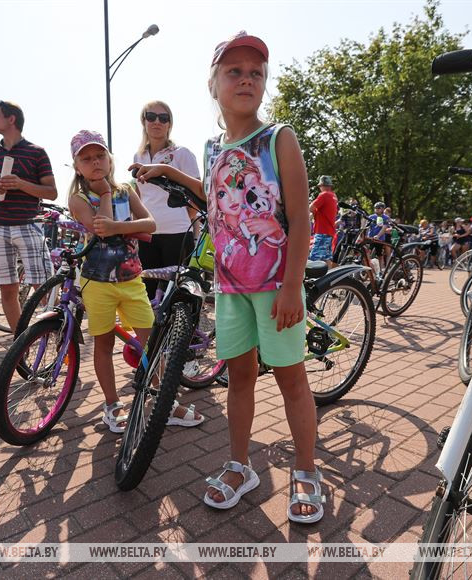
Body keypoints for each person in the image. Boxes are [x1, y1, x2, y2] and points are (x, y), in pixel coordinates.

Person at [132, 31, 323, 524]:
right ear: (213, 84)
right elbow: (212, 193)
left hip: (275, 285)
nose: (246, 79)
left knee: (291, 379)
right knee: (239, 378)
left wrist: (291, 286)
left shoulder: (278, 138)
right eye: (234, 71)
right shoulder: (213, 148)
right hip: (231, 287)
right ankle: (240, 465)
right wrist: (170, 175)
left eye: (255, 72)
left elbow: (300, 218)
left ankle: (306, 469)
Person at [67, 130, 203, 433]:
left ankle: (165, 402)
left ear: (109, 159)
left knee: (151, 342)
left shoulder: (127, 190)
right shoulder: (79, 198)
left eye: (100, 155)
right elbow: (100, 229)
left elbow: (150, 224)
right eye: (86, 159)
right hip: (97, 283)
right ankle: (112, 405)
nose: (95, 162)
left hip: (131, 279)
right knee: (103, 343)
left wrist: (118, 224)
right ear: (77, 166)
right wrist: (106, 197)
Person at [0, 100, 56, 332]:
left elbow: (51, 192)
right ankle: (19, 342)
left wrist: (21, 184)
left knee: (43, 287)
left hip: (28, 225)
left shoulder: (36, 152)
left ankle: (57, 337)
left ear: (11, 119)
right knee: (7, 289)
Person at [132, 101, 201, 299]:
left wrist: (184, 217)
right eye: (151, 117)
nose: (157, 122)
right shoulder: (139, 156)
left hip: (177, 233)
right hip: (147, 235)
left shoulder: (182, 153)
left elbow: (197, 193)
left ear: (170, 124)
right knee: (148, 296)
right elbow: (139, 196)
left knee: (177, 297)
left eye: (163, 118)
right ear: (144, 121)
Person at [308, 175, 337, 265]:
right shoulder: (333, 196)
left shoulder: (324, 195)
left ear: (322, 186)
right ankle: (330, 273)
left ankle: (315, 275)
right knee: (326, 258)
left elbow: (311, 208)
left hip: (322, 231)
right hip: (329, 231)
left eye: (320, 186)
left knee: (314, 258)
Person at [367, 201, 389, 271]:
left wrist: (378, 236)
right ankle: (368, 268)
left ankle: (380, 270)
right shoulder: (371, 217)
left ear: (383, 209)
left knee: (380, 255)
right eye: (375, 208)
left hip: (380, 239)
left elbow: (384, 228)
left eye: (378, 208)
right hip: (370, 238)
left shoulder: (386, 217)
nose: (376, 209)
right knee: (367, 252)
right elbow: (366, 227)